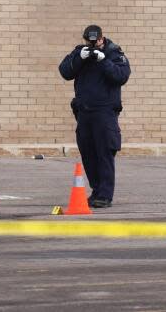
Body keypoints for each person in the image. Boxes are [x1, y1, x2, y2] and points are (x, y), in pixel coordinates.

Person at [58, 25, 130, 208]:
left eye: (96, 41)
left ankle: (105, 195)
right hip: (84, 112)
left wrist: (104, 60)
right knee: (88, 153)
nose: (93, 44)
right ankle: (96, 191)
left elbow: (121, 76)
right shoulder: (79, 52)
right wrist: (79, 59)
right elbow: (65, 71)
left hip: (104, 113)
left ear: (101, 38)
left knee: (104, 152)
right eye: (89, 41)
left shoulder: (114, 52)